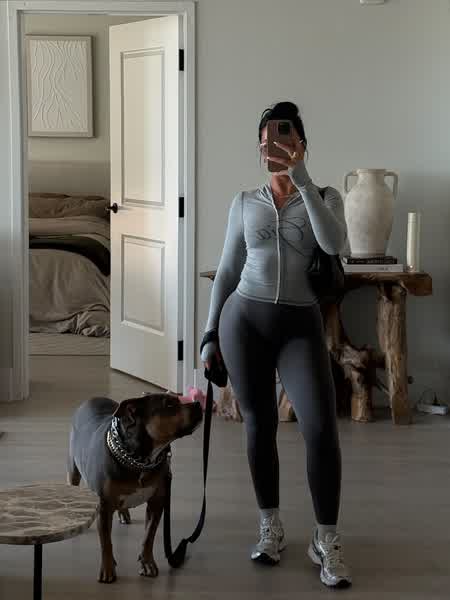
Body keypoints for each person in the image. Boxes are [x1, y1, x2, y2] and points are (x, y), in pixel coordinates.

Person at [200, 101, 351, 589]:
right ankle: (270, 525)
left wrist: (301, 178)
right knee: (259, 426)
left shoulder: (325, 197)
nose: (273, 145)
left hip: (300, 326)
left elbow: (334, 245)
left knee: (321, 429)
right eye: (265, 139)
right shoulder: (245, 201)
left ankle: (325, 538)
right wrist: (208, 334)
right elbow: (227, 270)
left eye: (283, 137)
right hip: (242, 321)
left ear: (300, 143)